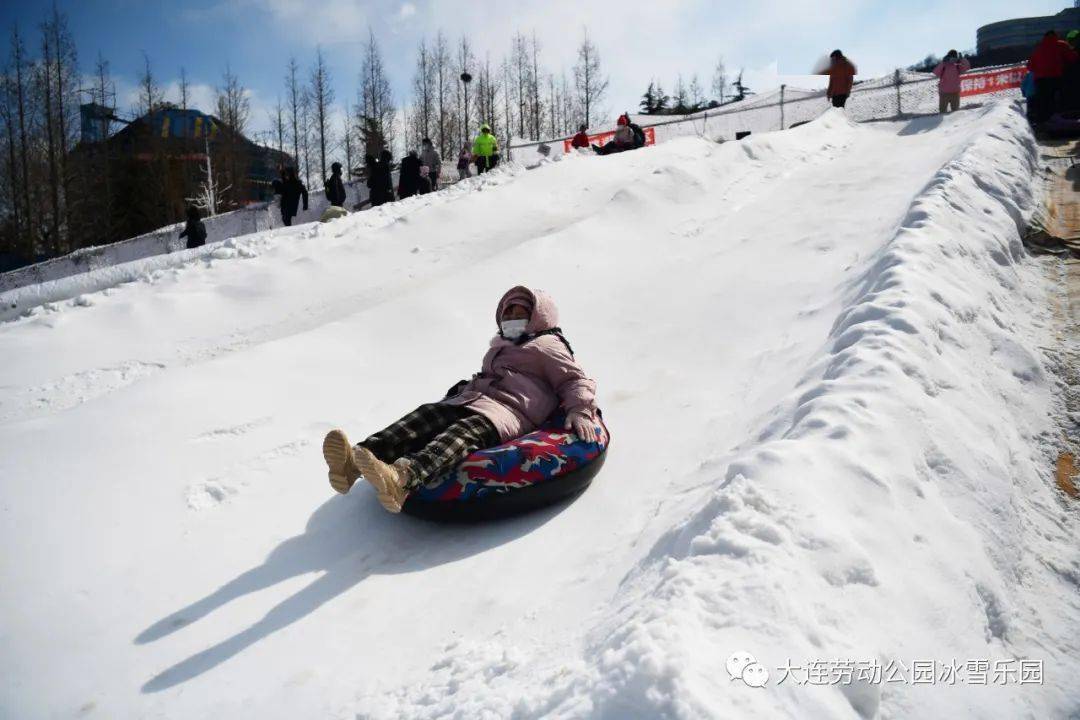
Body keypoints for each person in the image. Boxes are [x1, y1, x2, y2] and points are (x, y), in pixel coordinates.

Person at [321, 286, 600, 513]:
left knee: (461, 434)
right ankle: (356, 461)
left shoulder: (546, 345)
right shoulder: (502, 346)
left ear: (538, 317)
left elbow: (574, 379)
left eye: (520, 313)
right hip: (477, 399)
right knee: (427, 415)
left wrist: (579, 409)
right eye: (508, 313)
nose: (512, 318)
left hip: (509, 412)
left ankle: (403, 479)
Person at [1028, 30, 1079, 123]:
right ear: (1056, 36)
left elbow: (1030, 66)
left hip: (1040, 80)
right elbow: (1073, 58)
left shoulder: (1039, 48)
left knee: (1044, 101)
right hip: (1055, 77)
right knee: (1058, 99)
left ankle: (1044, 123)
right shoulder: (1061, 44)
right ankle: (1061, 119)